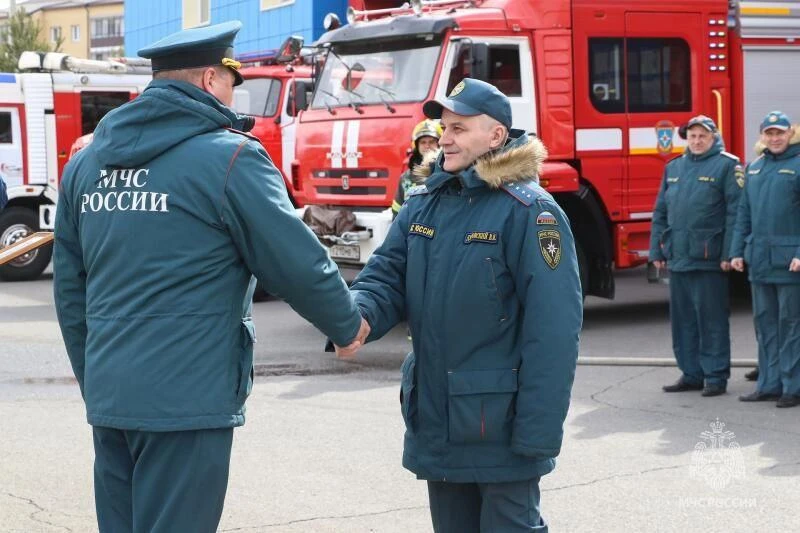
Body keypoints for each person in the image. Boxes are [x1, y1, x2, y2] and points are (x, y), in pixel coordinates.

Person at [53, 21, 368, 532]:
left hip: (112, 396)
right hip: (188, 399)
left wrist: (98, 381)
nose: (231, 94)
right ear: (208, 80)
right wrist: (346, 325)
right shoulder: (230, 157)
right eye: (230, 81)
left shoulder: (86, 166)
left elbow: (70, 290)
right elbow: (294, 258)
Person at [338, 78, 582, 532]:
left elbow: (554, 332)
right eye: (443, 127)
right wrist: (358, 317)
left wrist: (538, 434)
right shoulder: (425, 202)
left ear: (495, 136)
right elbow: (386, 275)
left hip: (502, 429)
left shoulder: (530, 211)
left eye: (458, 128)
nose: (444, 138)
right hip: (437, 416)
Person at [649, 115, 743, 397]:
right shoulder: (674, 167)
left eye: (703, 135)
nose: (697, 140)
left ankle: (715, 376)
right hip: (678, 257)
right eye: (692, 136)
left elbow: (736, 213)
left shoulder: (727, 166)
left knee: (711, 320)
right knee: (683, 320)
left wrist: (729, 252)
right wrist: (656, 249)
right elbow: (660, 212)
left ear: (713, 137)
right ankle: (691, 373)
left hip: (710, 258)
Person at [731, 110, 800, 408]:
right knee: (765, 326)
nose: (774, 138)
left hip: (789, 263)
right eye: (769, 133)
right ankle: (768, 384)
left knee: (791, 326)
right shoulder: (754, 168)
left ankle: (792, 387)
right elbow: (743, 214)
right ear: (762, 136)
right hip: (759, 260)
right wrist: (735, 251)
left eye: (780, 133)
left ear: (790, 134)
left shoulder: (797, 165)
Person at [391, 119, 442, 218]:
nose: (427, 146)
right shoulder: (406, 178)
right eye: (423, 142)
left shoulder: (448, 173)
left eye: (431, 142)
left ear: (439, 144)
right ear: (416, 146)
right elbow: (397, 212)